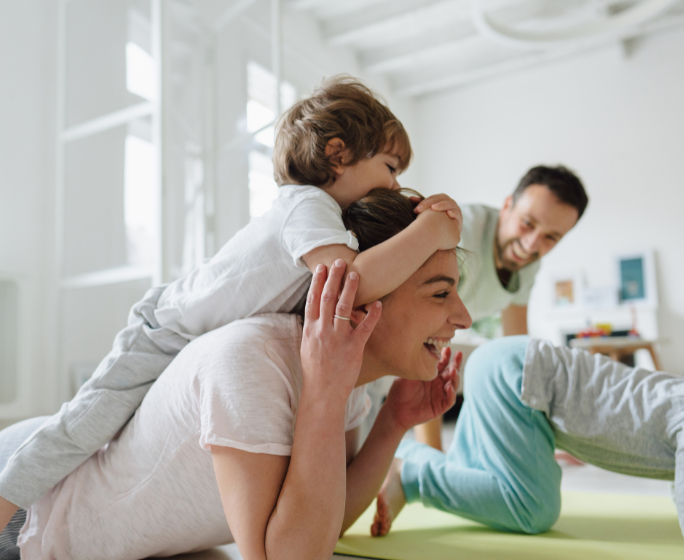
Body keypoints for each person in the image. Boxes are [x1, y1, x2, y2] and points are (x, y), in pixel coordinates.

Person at [0, 76, 464, 532]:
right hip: (164, 331)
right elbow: (348, 285)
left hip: (183, 337)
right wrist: (430, 231)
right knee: (81, 429)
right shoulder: (305, 206)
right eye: (390, 167)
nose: (395, 184)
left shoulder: (326, 231)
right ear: (338, 155)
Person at [0, 188, 472, 560]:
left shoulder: (340, 372)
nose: (464, 317)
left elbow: (325, 522)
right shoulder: (253, 359)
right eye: (439, 294)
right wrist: (324, 394)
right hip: (27, 515)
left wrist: (392, 422)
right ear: (363, 296)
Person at [374, 336, 684, 560]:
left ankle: (414, 472)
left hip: (511, 367)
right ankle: (410, 470)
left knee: (495, 489)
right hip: (518, 380)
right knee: (532, 509)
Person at [413, 165, 588, 450]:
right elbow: (421, 337)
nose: (532, 244)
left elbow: (516, 346)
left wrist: (545, 439)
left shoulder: (529, 267)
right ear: (507, 206)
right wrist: (433, 457)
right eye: (528, 223)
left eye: (550, 237)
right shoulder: (457, 234)